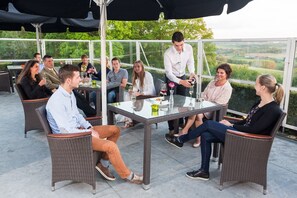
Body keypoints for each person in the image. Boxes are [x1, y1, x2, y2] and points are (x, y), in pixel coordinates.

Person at [165, 74, 284, 180]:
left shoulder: (273, 109)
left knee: (208, 124)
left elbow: (255, 130)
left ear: (263, 87)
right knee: (206, 135)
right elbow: (248, 121)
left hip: (248, 140)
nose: (254, 86)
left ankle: (181, 139)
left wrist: (232, 126)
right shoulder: (259, 102)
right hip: (241, 134)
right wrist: (232, 125)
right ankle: (204, 171)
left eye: (256, 84)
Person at [46, 64, 143, 184]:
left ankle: (103, 163)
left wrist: (88, 127)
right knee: (111, 147)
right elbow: (65, 130)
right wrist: (87, 133)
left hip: (79, 130)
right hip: (70, 139)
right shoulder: (56, 101)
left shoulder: (70, 93)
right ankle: (128, 176)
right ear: (68, 80)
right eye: (78, 77)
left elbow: (77, 115)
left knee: (115, 130)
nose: (81, 79)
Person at [177, 63, 233, 148]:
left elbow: (219, 103)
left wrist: (206, 100)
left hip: (214, 110)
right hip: (204, 105)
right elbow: (204, 94)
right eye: (218, 72)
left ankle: (193, 136)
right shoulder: (213, 82)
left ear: (227, 74)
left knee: (198, 114)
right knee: (195, 111)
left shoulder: (227, 88)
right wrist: (205, 100)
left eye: (222, 73)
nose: (219, 74)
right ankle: (186, 132)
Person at [164, 31, 196, 137]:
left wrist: (192, 72)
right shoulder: (167, 54)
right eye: (177, 45)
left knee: (182, 101)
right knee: (171, 103)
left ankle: (181, 124)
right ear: (173, 43)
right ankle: (172, 128)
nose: (179, 47)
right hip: (171, 78)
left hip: (183, 75)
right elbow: (169, 73)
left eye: (181, 44)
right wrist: (181, 82)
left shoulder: (189, 48)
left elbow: (190, 62)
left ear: (184, 41)